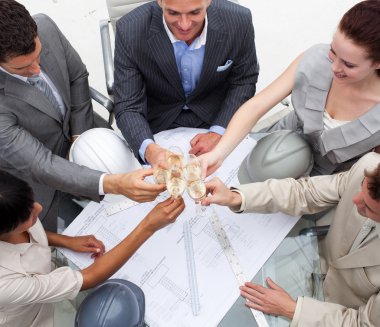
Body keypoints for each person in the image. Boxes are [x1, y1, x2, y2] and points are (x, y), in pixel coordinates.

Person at [0, 0, 165, 231]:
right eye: (22, 68)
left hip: (88, 133)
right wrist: (113, 184)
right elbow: (41, 165)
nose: (37, 70)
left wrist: (79, 135)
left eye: (38, 56)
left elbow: (77, 76)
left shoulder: (45, 26)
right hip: (45, 180)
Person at [200, 0, 380, 178]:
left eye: (348, 64)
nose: (334, 67)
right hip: (268, 151)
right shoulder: (315, 58)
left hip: (322, 187)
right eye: (333, 51)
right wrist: (219, 154)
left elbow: (374, 169)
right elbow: (257, 105)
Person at [202, 152, 380, 326]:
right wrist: (236, 197)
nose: (355, 200)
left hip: (334, 313)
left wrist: (291, 309)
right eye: (362, 187)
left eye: (368, 208)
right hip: (313, 258)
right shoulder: (369, 166)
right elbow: (304, 192)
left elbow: (364, 323)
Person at [0, 169, 185, 327]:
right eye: (29, 217)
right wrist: (148, 226)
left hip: (50, 275)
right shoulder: (5, 283)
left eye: (32, 199)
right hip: (37, 317)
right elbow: (89, 277)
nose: (39, 208)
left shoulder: (13, 210)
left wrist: (66, 241)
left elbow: (28, 236)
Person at [113, 0, 259, 165]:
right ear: (160, 2)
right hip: (158, 124)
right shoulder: (130, 29)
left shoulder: (239, 20)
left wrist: (218, 132)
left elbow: (243, 81)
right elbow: (128, 105)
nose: (184, 25)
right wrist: (149, 150)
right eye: (173, 13)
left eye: (195, 13)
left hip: (217, 118)